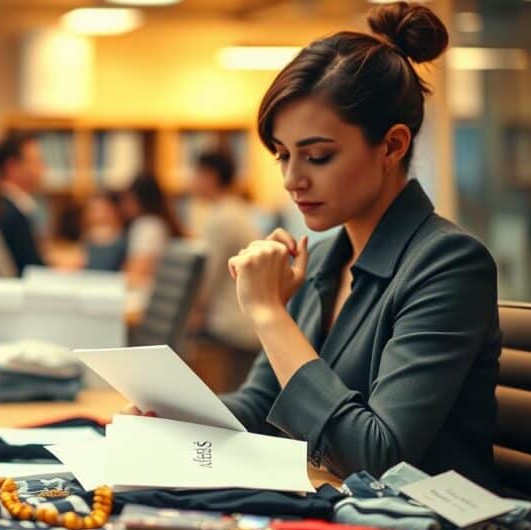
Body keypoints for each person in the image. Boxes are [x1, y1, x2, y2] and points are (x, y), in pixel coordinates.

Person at [128, 2, 501, 490]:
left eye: (317, 156)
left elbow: (378, 458)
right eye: (283, 155)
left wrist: (269, 314)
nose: (291, 179)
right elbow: (262, 406)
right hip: (344, 519)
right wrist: (175, 418)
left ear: (392, 146)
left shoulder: (448, 265)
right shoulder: (324, 257)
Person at [188, 150, 263, 390]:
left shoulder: (222, 218)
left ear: (210, 176)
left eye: (196, 174)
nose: (192, 181)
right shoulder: (235, 210)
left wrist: (193, 314)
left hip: (232, 324)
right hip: (243, 319)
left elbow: (207, 278)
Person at [119, 172, 183, 287]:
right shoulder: (159, 223)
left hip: (145, 294)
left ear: (139, 200)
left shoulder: (147, 226)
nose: (124, 205)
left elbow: (137, 272)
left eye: (128, 199)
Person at [0, 133, 46, 275]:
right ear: (12, 167)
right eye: (36, 162)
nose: (42, 169)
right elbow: (30, 269)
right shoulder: (10, 214)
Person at [83, 191, 127, 272]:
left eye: (98, 209)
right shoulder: (85, 238)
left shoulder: (123, 240)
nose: (95, 214)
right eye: (91, 209)